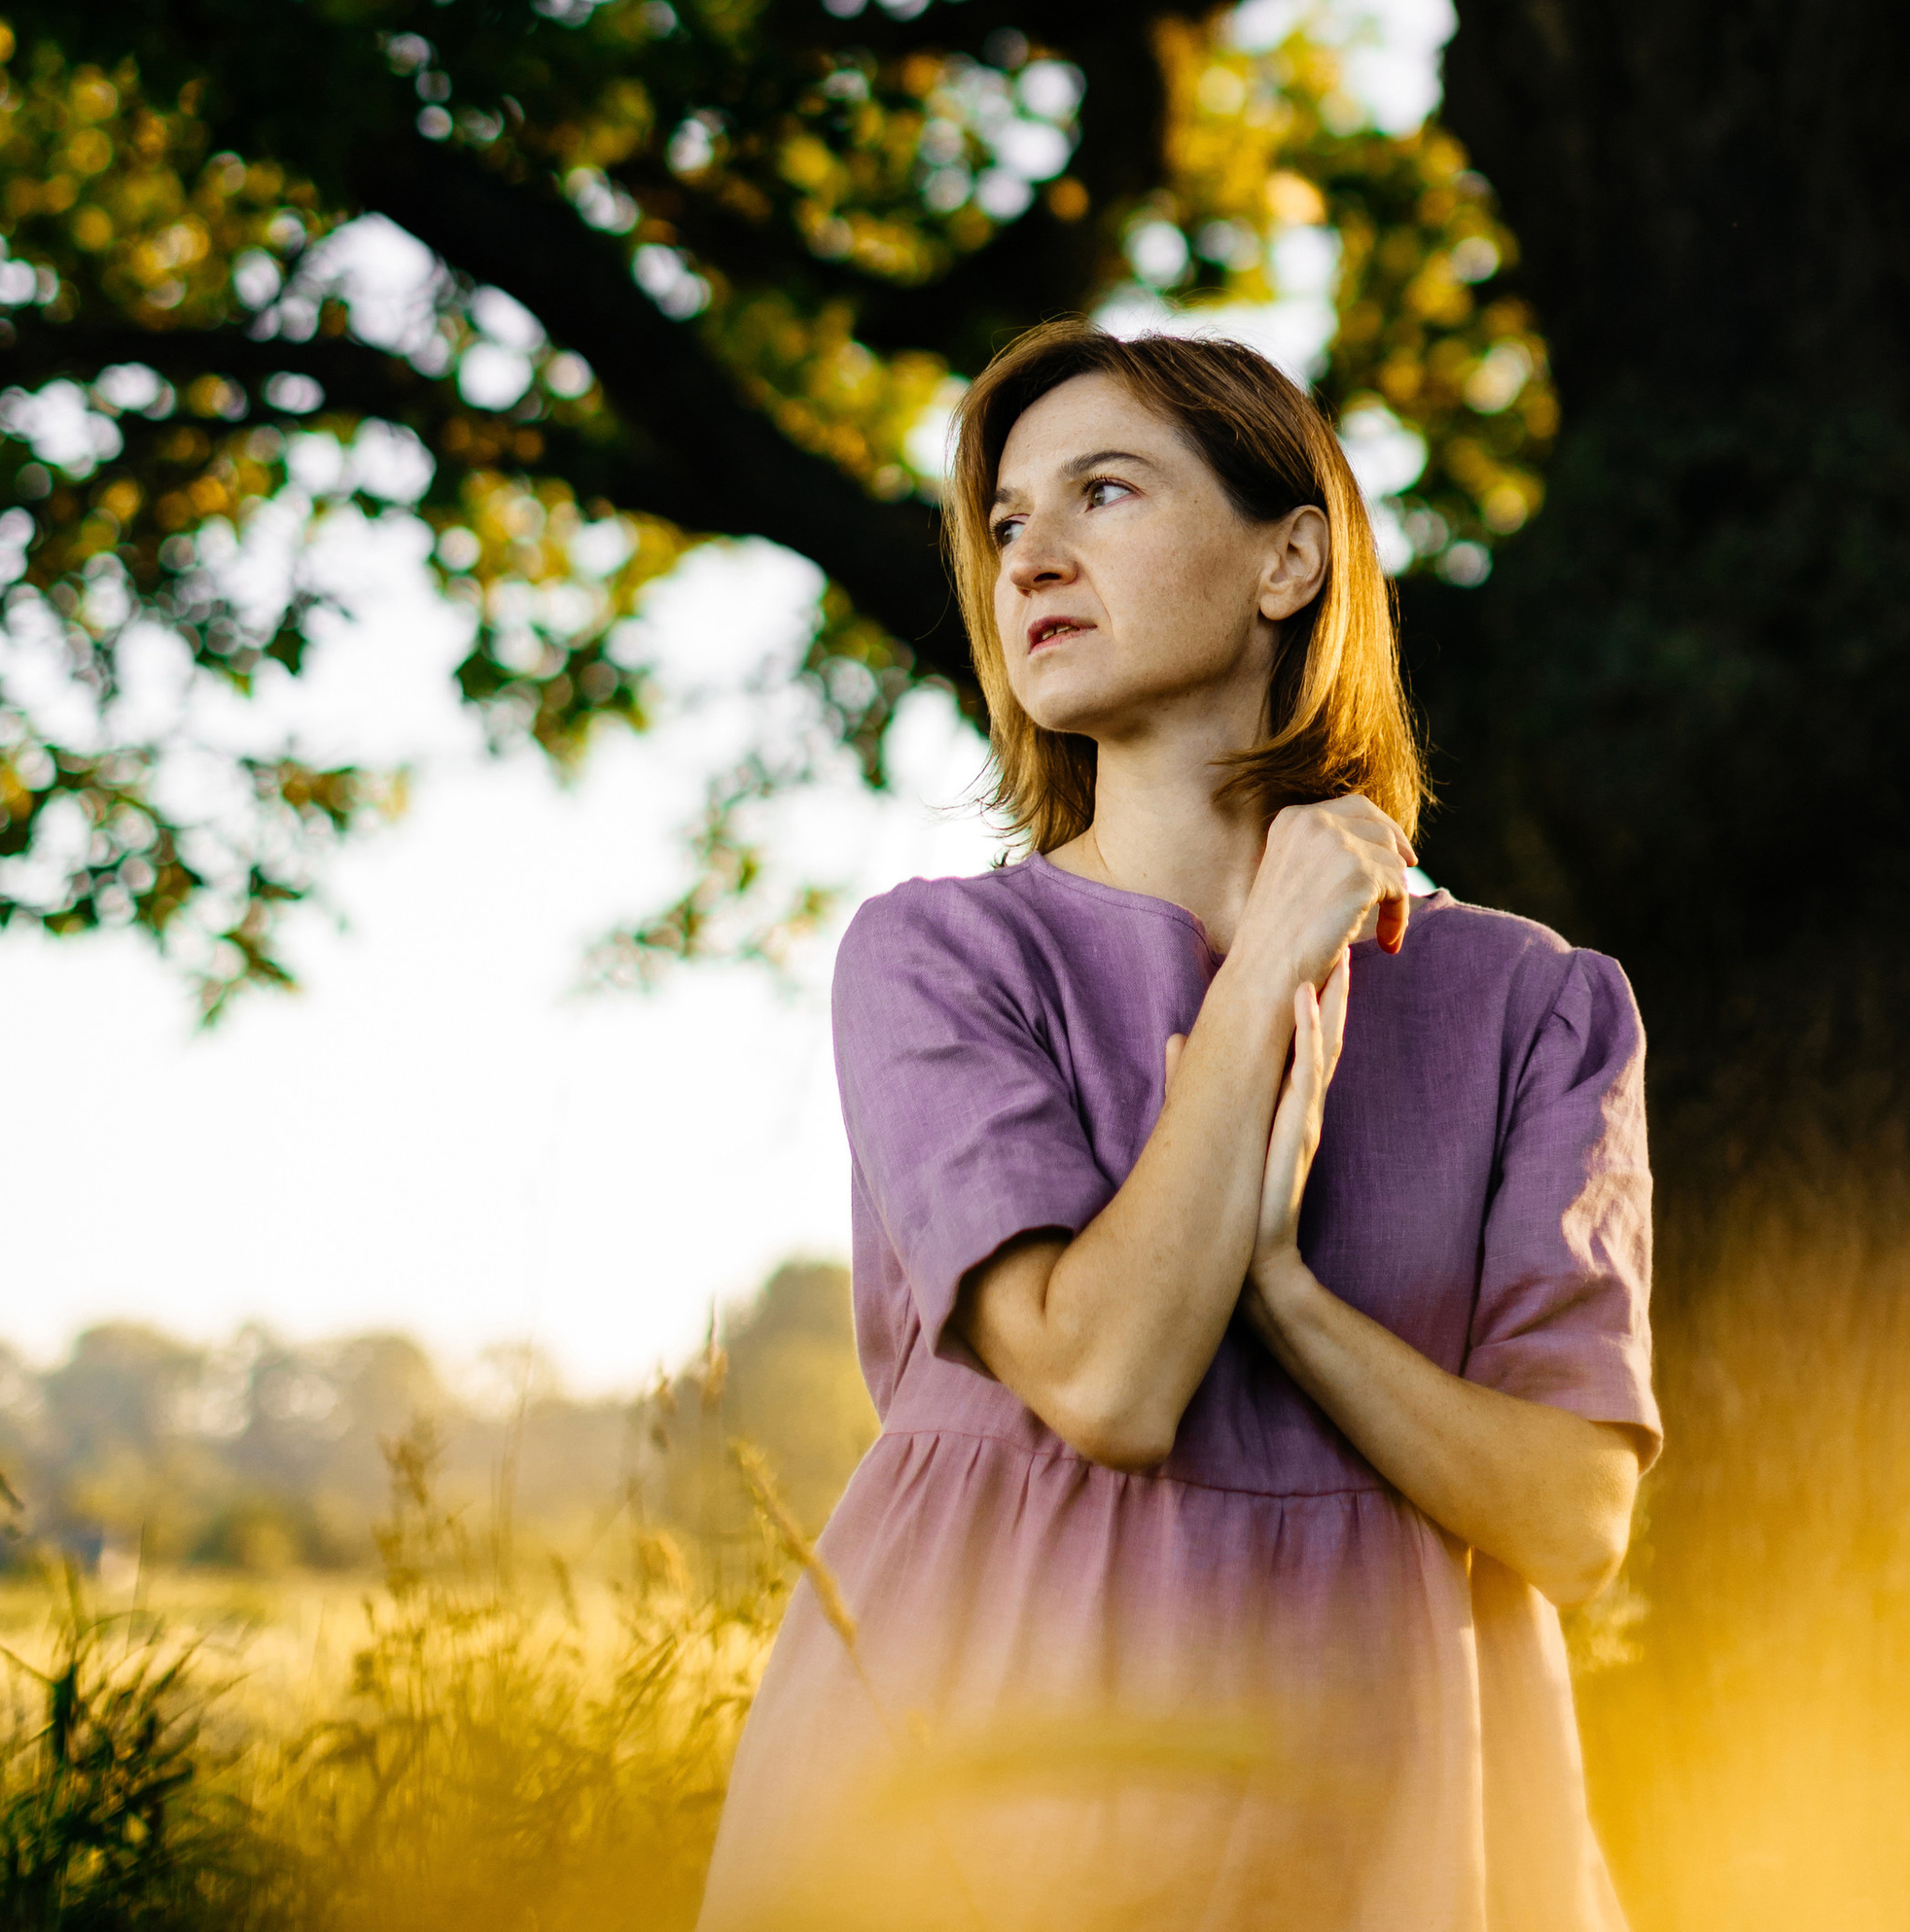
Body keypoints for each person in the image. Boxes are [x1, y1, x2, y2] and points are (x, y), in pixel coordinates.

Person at [697, 320, 1659, 1932]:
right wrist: (1275, 958)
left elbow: (1573, 1522)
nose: (1031, 558)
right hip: (982, 1756)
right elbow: (1108, 1378)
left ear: (1290, 559)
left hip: (1393, 1788)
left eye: (1106, 494)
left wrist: (1287, 1297)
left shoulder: (1537, 1007)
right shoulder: (938, 957)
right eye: (1007, 523)